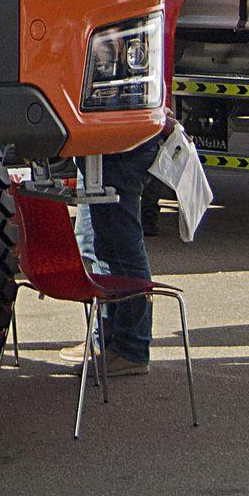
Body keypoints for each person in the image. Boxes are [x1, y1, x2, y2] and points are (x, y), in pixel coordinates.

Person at [63, 121, 171, 378]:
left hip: (118, 141)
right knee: (107, 248)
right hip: (110, 140)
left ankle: (130, 348)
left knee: (120, 250)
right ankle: (113, 342)